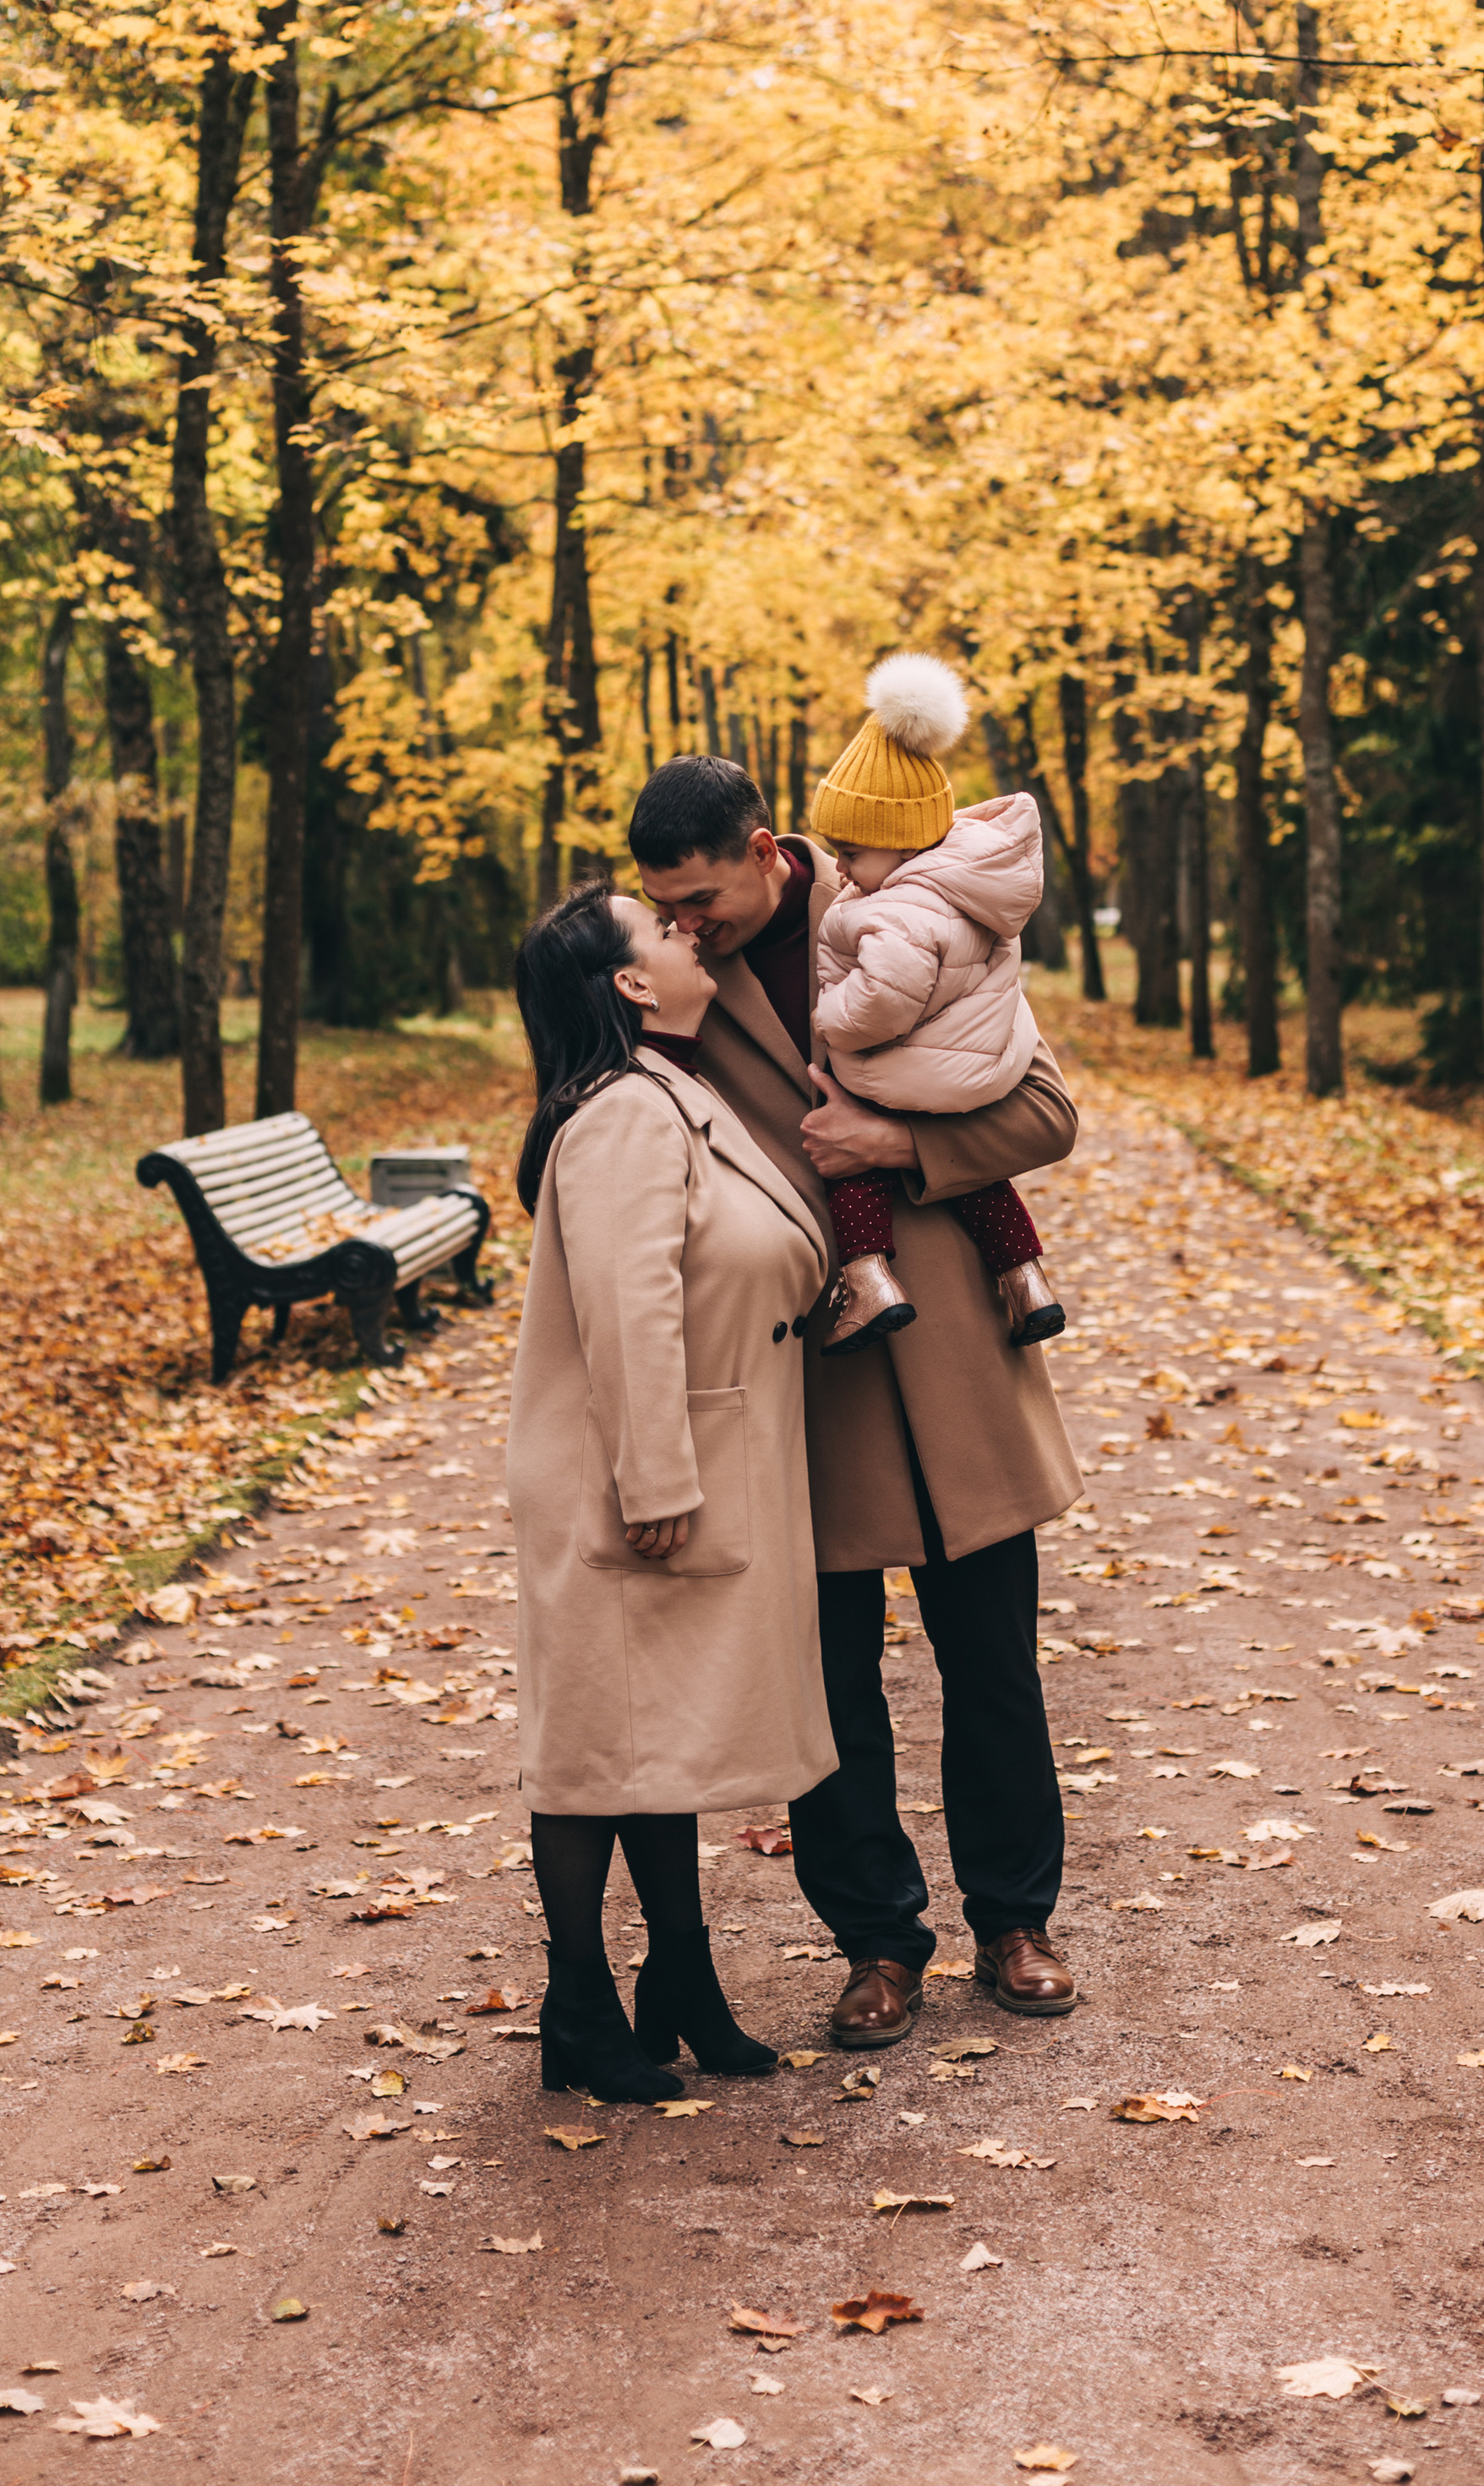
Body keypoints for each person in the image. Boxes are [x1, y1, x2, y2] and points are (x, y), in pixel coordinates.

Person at [629, 752, 1083, 2045]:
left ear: (769, 850)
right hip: (801, 1376)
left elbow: (1046, 1111)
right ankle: (876, 1942)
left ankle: (1015, 1921)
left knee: (994, 1660)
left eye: (704, 899)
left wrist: (903, 1147)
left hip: (954, 1360)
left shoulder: (910, 909)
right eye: (667, 906)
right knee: (828, 1681)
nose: (687, 926)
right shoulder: (674, 983)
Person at [506, 882, 836, 2101]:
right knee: (597, 1749)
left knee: (654, 1744)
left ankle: (680, 1980)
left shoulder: (673, 1090)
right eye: (659, 928)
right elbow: (628, 1305)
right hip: (627, 1475)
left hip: (678, 1462)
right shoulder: (624, 1116)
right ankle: (578, 2007)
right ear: (632, 983)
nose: (685, 929)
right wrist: (655, 1474)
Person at [807, 650, 1067, 1358]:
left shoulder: (902, 908)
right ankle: (1024, 1278)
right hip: (982, 1069)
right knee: (982, 1182)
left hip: (922, 1072)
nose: (841, 868)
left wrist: (830, 1017)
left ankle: (867, 1278)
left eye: (852, 852)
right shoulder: (969, 889)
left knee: (854, 1159)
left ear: (899, 845)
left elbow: (884, 1002)